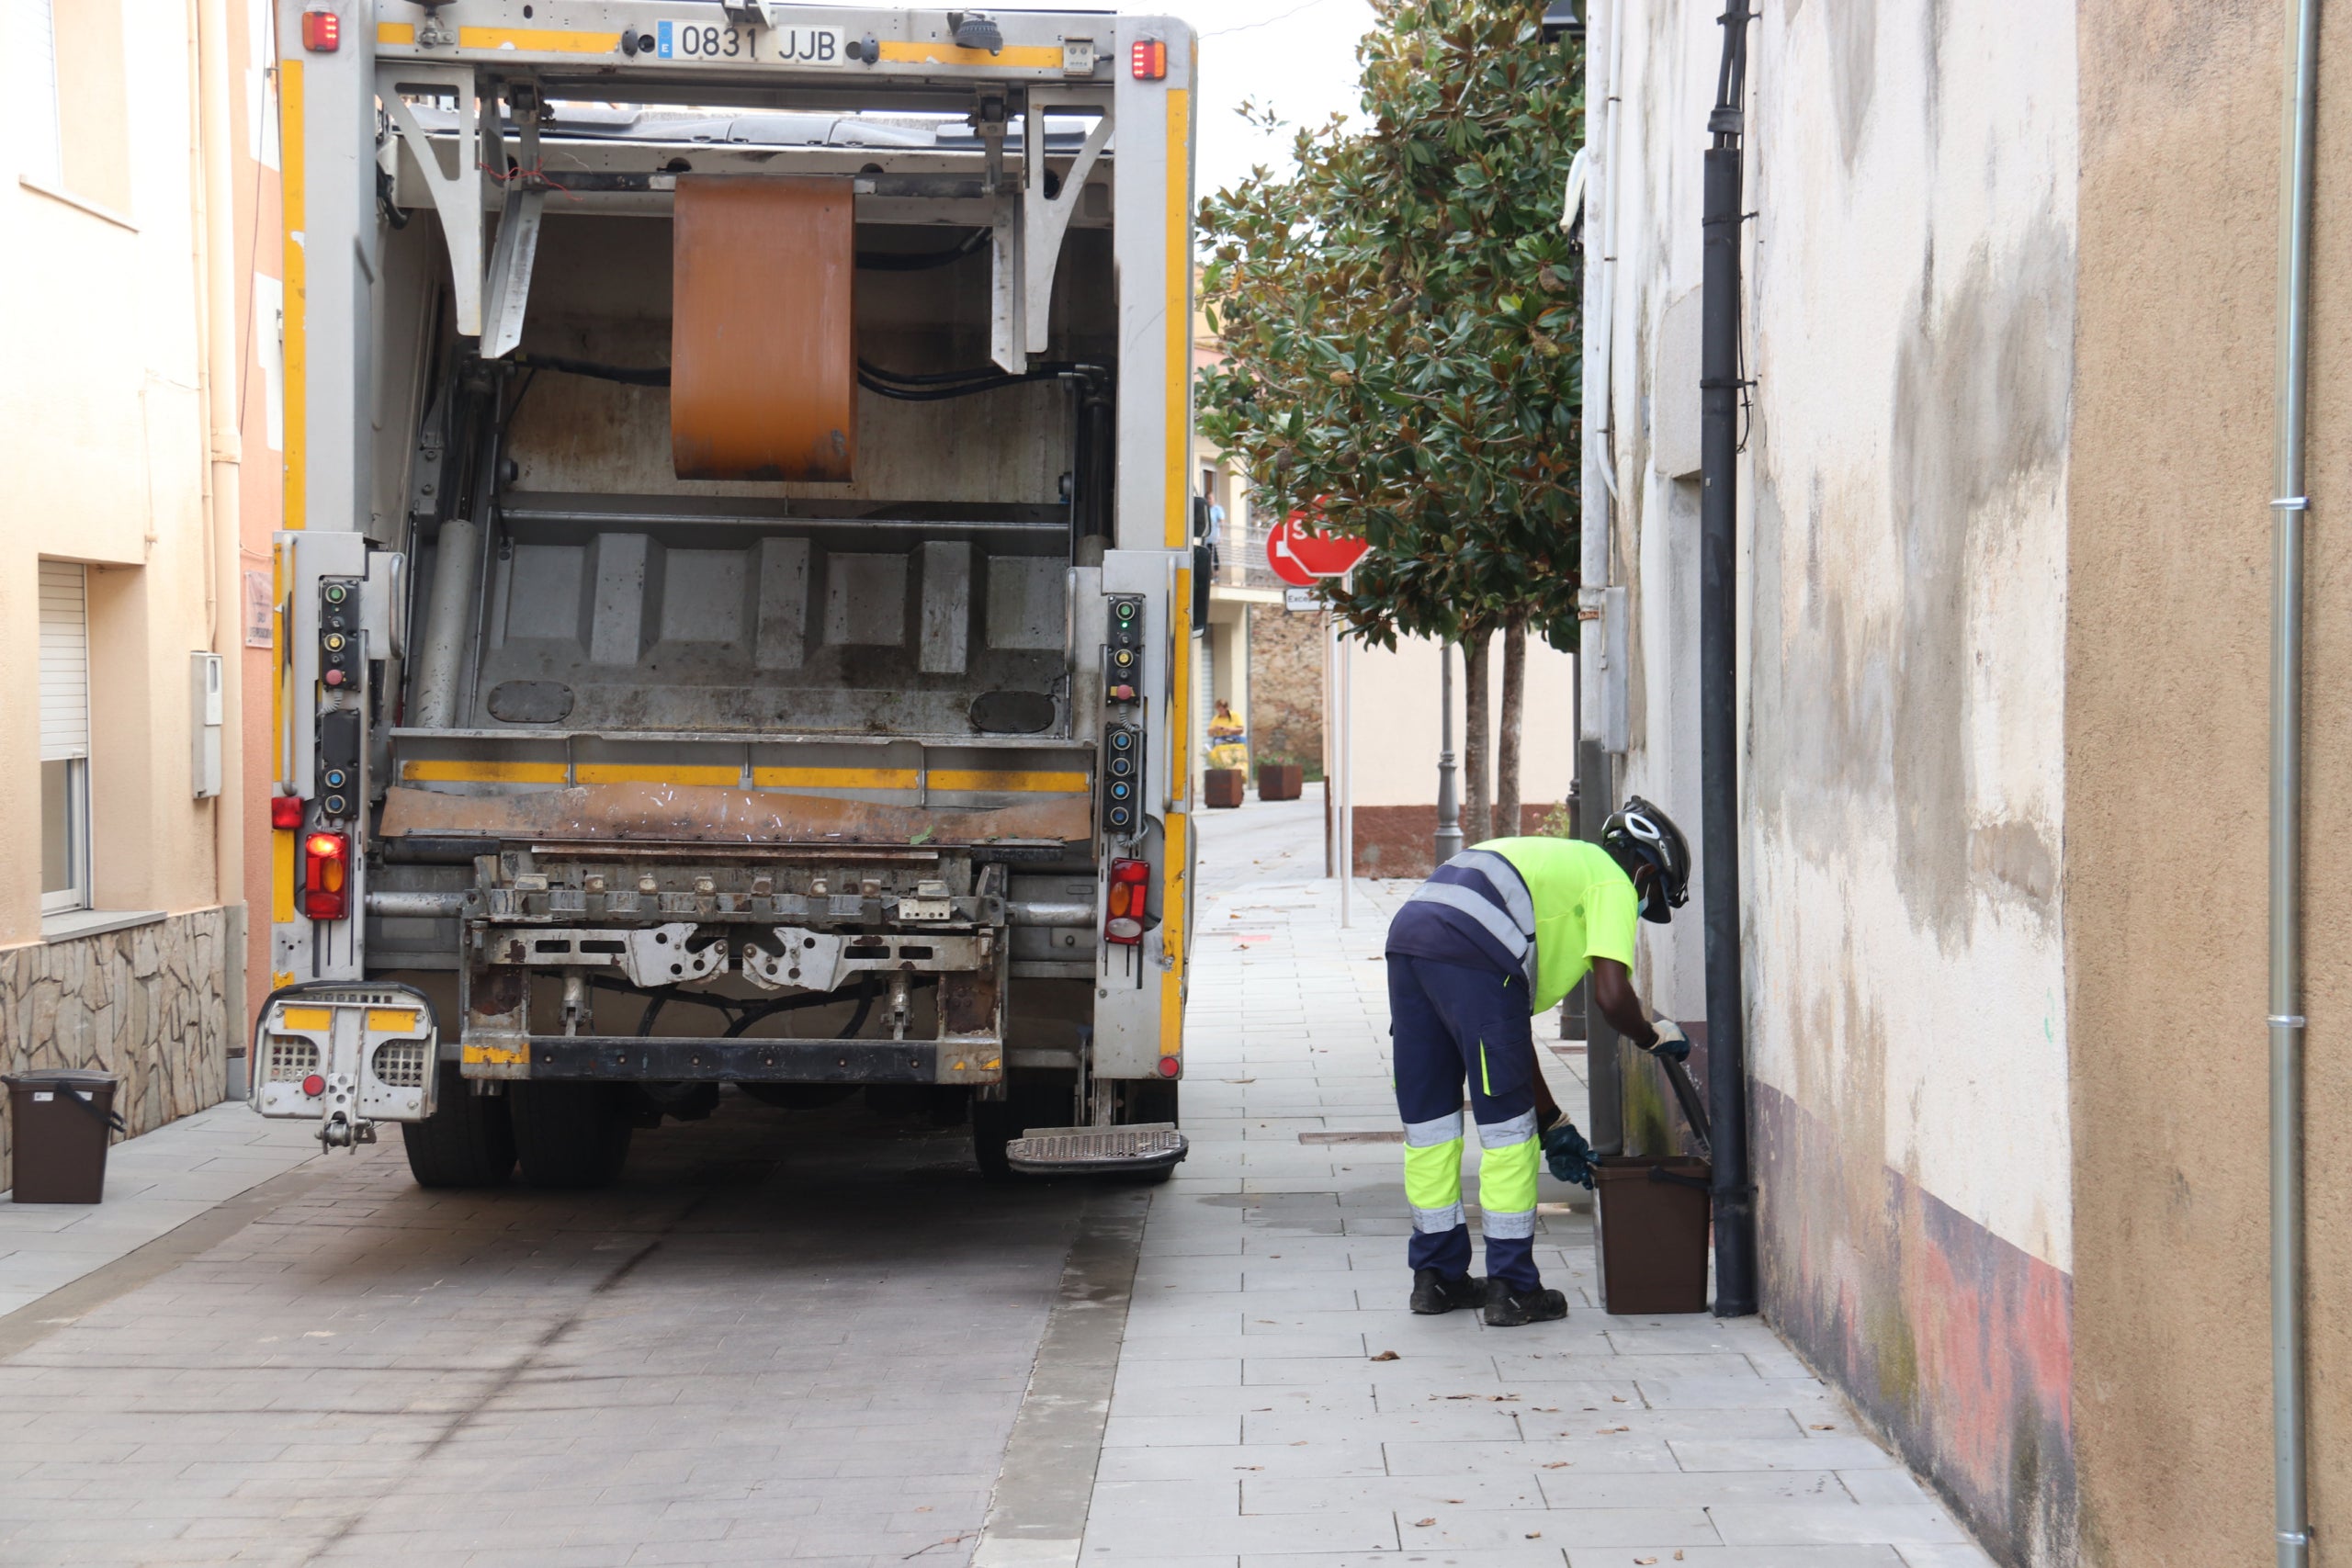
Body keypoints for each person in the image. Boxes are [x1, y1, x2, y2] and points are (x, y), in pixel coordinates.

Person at [1384, 797, 1693, 1325]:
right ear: (1645, 868)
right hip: (1471, 955)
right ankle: (1513, 1288)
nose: (1645, 910)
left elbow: (1508, 1030)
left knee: (1430, 1124)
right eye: (1655, 899)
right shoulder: (1612, 882)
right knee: (1508, 1132)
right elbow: (1614, 998)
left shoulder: (1555, 865)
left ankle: (1436, 1280)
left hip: (1410, 943)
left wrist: (1554, 1120)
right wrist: (1652, 1036)